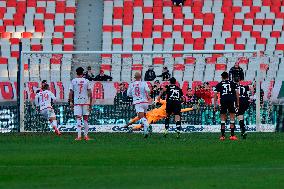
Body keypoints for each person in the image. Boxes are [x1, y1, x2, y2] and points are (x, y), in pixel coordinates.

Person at [124, 99, 193, 131]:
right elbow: (159, 100)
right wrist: (156, 101)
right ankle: (128, 125)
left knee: (145, 125)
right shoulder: (167, 102)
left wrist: (192, 108)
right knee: (139, 117)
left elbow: (183, 110)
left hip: (154, 117)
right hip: (151, 112)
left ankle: (132, 128)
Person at [69, 67, 93, 141]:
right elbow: (90, 92)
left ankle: (79, 136)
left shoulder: (73, 81)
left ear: (76, 73)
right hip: (85, 102)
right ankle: (86, 136)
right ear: (83, 73)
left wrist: (70, 101)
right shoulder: (86, 81)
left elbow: (71, 92)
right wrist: (90, 102)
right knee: (85, 119)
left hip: (77, 102)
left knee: (78, 119)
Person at [214, 72, 239, 141]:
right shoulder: (233, 83)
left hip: (223, 101)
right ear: (228, 77)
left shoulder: (219, 84)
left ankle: (222, 136)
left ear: (222, 77)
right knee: (232, 117)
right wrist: (237, 103)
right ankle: (232, 135)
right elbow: (237, 93)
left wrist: (215, 104)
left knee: (223, 118)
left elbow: (215, 95)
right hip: (231, 100)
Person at [127, 72, 152, 138]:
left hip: (138, 102)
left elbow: (128, 94)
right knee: (144, 116)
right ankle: (145, 131)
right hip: (145, 102)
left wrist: (134, 95)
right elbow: (148, 90)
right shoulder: (144, 83)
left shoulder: (131, 84)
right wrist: (148, 95)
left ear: (134, 78)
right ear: (140, 77)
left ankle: (147, 125)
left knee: (141, 117)